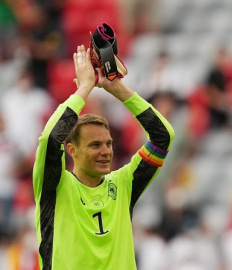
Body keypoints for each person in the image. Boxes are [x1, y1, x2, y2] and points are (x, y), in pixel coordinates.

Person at [32, 44, 175, 270]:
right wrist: (85, 88)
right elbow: (50, 138)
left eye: (108, 144)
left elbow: (163, 137)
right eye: (95, 145)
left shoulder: (124, 184)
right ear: (71, 150)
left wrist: (117, 88)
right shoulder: (55, 186)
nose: (106, 151)